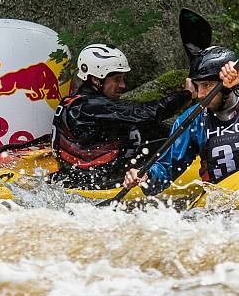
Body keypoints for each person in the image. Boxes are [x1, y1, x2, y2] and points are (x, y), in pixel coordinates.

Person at [123, 46, 239, 193]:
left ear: (227, 84)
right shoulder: (193, 121)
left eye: (207, 85)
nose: (201, 94)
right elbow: (167, 169)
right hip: (224, 199)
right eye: (197, 86)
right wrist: (147, 176)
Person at [51, 44, 192, 188]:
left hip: (83, 174)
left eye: (123, 79)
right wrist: (186, 94)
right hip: (94, 182)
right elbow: (147, 113)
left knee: (153, 130)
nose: (123, 85)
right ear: (95, 79)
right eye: (117, 79)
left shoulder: (78, 102)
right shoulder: (88, 106)